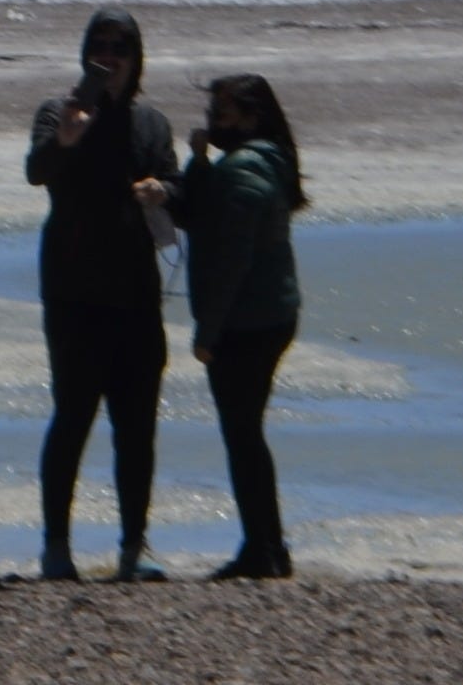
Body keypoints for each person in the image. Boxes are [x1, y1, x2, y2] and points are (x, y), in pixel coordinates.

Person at [24, 7, 179, 582]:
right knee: (72, 418)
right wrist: (66, 138)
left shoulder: (151, 123)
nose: (110, 56)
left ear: (137, 58)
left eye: (121, 47)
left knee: (136, 426)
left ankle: (135, 547)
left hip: (137, 294)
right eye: (101, 46)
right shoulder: (58, 111)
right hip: (73, 293)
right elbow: (36, 171)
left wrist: (164, 190)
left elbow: (179, 186)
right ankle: (56, 548)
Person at [163, 74, 309, 581]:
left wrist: (208, 333)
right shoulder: (266, 160)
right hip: (271, 313)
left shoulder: (246, 169)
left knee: (243, 436)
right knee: (246, 434)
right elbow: (205, 216)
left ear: (251, 117)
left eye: (223, 115)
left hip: (249, 321)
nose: (213, 124)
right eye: (212, 114)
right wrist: (200, 162)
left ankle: (262, 549)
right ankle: (268, 546)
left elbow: (231, 259)